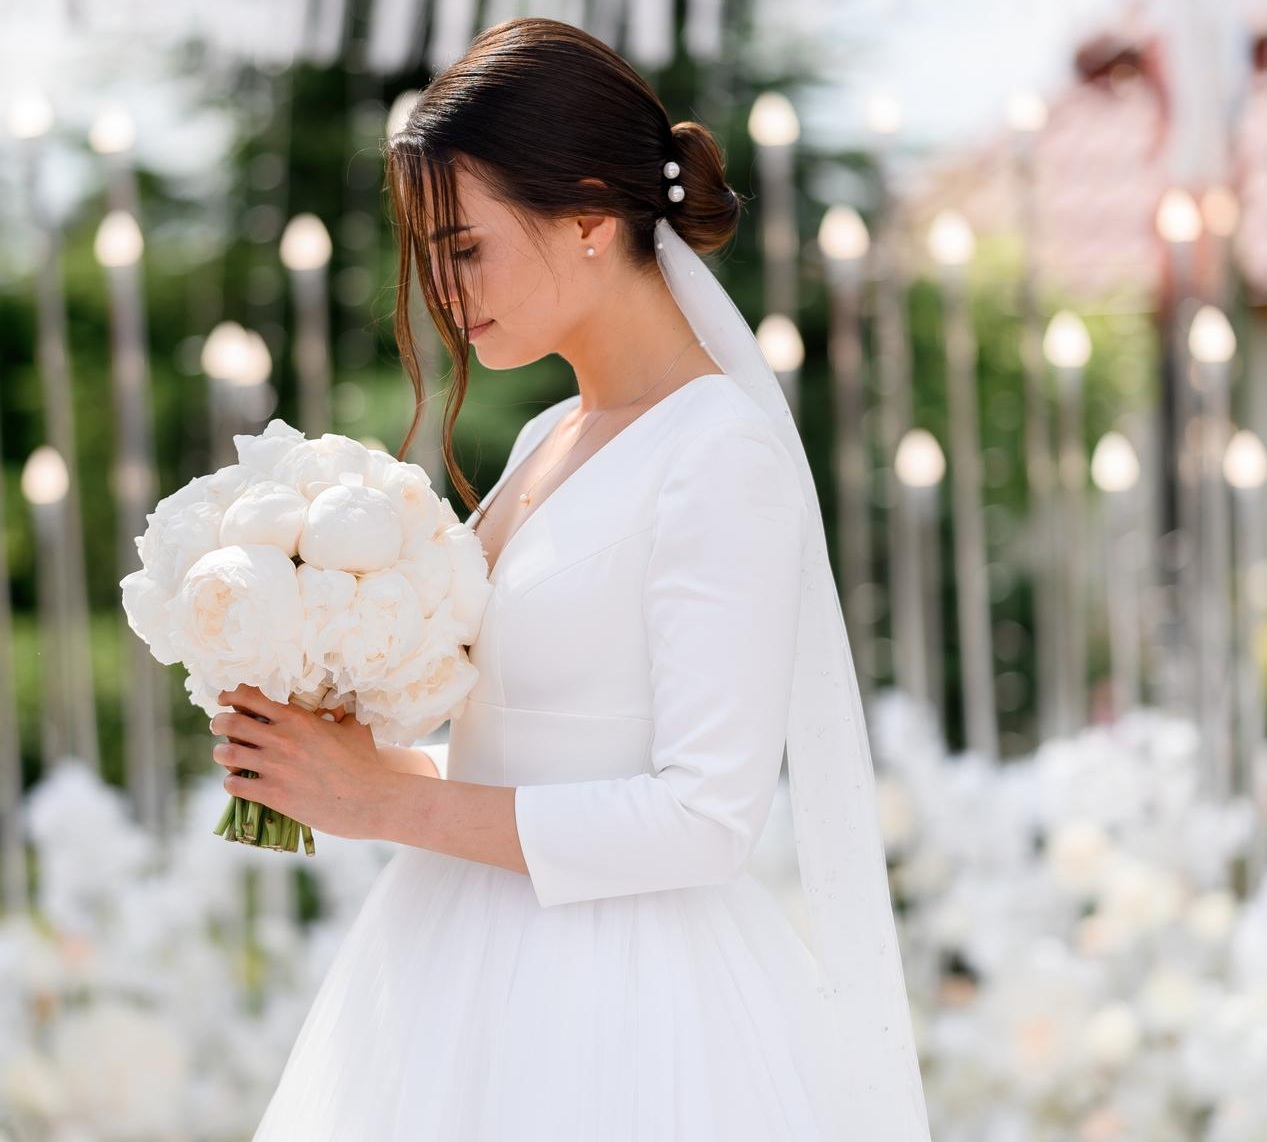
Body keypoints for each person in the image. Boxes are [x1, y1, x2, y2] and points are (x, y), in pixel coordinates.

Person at [212, 16, 933, 1141]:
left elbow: (704, 816)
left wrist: (393, 801)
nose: (441, 289)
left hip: (623, 1004)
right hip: (451, 960)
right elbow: (525, 752)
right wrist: (339, 763)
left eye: (464, 247)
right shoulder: (547, 434)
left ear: (591, 218)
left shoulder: (718, 452)